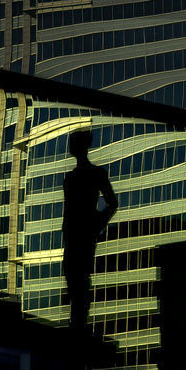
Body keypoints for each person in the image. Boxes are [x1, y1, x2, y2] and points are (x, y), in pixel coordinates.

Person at [61, 129, 117, 331]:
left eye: (72, 142)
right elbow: (68, 210)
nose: (70, 146)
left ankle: (78, 323)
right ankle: (75, 321)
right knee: (72, 275)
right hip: (72, 234)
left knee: (81, 278)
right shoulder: (69, 177)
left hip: (84, 233)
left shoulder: (96, 173)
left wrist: (96, 224)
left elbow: (112, 203)